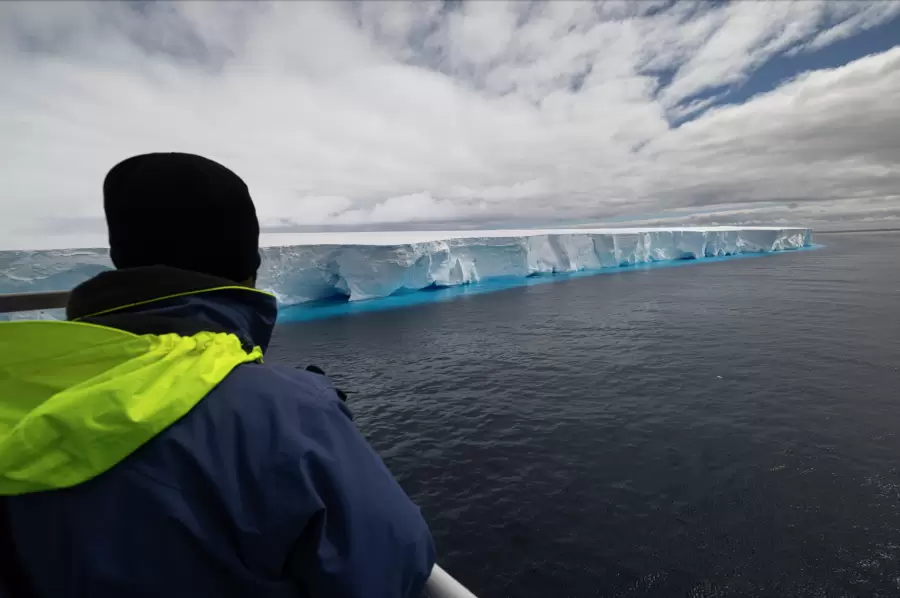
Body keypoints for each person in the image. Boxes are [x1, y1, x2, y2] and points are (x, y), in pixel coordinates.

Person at [0, 153, 435, 597]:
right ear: (248, 268)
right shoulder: (287, 413)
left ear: (120, 260)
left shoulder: (15, 392)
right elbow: (394, 563)